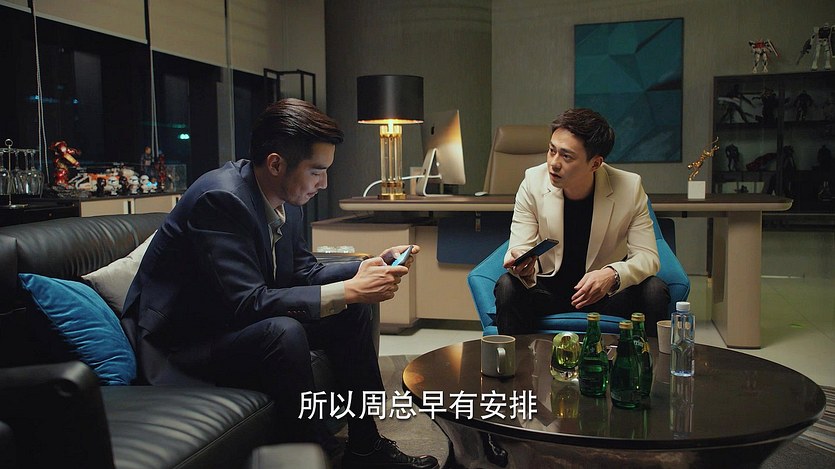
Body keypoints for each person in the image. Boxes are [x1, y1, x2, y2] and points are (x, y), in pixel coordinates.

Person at [120, 98, 439, 469]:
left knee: (351, 309)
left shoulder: (283, 198)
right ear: (275, 164)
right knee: (283, 332)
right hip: (185, 343)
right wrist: (348, 289)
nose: (324, 183)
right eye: (316, 171)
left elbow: (304, 272)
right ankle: (312, 453)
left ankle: (366, 447)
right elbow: (246, 303)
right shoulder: (220, 199)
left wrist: (365, 267)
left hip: (230, 323)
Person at [494, 108, 669, 336]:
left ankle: (644, 358)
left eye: (566, 156)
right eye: (551, 150)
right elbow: (519, 245)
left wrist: (612, 274)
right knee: (507, 286)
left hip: (604, 295)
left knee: (655, 290)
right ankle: (514, 359)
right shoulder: (533, 181)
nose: (554, 163)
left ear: (595, 164)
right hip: (549, 292)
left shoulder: (629, 187)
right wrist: (522, 264)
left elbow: (648, 257)